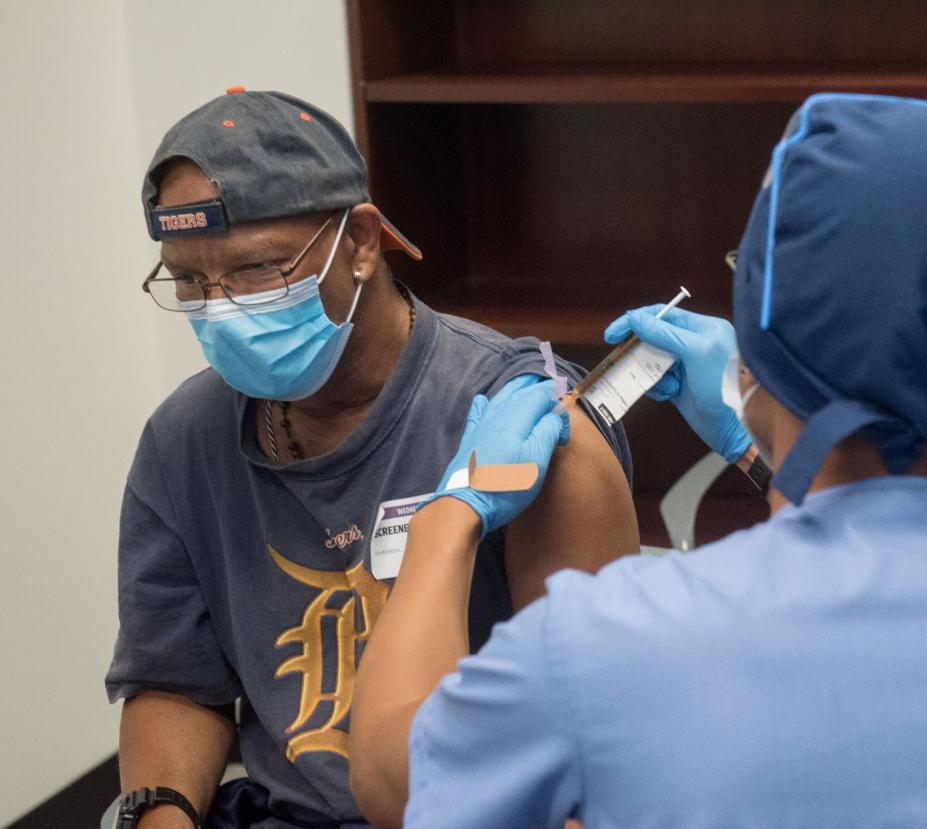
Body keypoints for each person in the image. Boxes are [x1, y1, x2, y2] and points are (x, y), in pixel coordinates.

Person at [349, 94, 927, 828]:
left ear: (760, 330)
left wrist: (449, 516)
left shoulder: (607, 646)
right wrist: (758, 438)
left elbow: (395, 774)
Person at [103, 88, 639, 829]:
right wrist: (158, 813)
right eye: (190, 282)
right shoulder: (184, 440)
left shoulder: (522, 423)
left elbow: (595, 739)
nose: (221, 310)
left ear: (360, 242)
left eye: (257, 272)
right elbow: (175, 680)